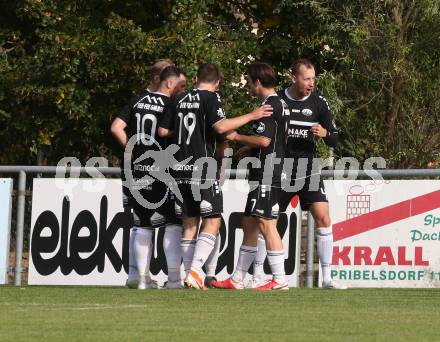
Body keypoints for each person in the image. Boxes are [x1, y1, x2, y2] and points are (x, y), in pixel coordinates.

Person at [158, 63, 273, 290]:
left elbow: (162, 131)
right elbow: (221, 127)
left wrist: (182, 133)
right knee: (213, 221)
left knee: (190, 224)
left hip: (178, 167)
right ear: (217, 82)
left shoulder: (179, 98)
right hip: (201, 167)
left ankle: (189, 276)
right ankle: (195, 271)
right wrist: (252, 115)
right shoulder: (211, 98)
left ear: (196, 78)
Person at [212, 62, 289, 290]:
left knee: (266, 223)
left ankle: (279, 279)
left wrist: (237, 137)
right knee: (249, 223)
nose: (246, 85)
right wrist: (252, 149)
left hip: (267, 172)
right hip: (266, 169)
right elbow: (271, 140)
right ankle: (237, 279)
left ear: (257, 82)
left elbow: (264, 140)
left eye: (247, 81)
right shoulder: (280, 103)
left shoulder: (269, 106)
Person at [111, 65, 184, 289]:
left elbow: (116, 127)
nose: (181, 90)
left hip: (137, 167)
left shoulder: (137, 100)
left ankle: (141, 279)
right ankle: (173, 279)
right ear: (169, 83)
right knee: (173, 222)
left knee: (142, 224)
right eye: (180, 85)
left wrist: (131, 150)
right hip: (162, 167)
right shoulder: (171, 103)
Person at [276, 58, 346, 289]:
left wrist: (325, 133)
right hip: (281, 167)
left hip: (308, 167)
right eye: (307, 78)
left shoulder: (319, 102)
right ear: (293, 78)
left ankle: (326, 278)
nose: (311, 83)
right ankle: (268, 275)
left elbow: (335, 137)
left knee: (323, 217)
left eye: (313, 79)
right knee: (269, 219)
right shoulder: (278, 99)